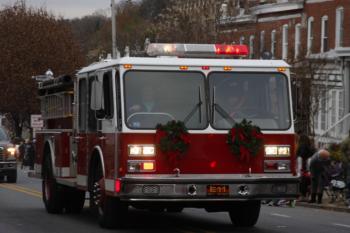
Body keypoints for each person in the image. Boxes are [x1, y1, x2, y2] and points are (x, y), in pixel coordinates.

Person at [296, 134, 315, 201]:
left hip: (303, 166)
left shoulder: (301, 146)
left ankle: (302, 196)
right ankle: (307, 196)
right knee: (308, 181)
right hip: (309, 167)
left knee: (302, 181)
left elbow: (300, 155)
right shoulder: (310, 147)